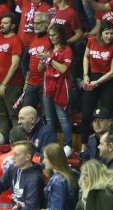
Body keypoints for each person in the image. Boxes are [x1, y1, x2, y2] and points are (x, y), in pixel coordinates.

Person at [80, 22, 113, 149]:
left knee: (105, 116)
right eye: (107, 33)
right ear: (101, 34)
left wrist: (97, 82)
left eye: (112, 33)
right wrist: (85, 75)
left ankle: (105, 146)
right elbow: (86, 56)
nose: (109, 36)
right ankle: (84, 147)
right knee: (86, 115)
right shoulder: (92, 41)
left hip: (107, 82)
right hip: (92, 78)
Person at [0, 140, 45, 210]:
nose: (12, 158)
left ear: (27, 157)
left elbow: (31, 207)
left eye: (16, 155)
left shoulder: (34, 179)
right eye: (13, 154)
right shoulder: (14, 168)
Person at [41, 23, 73, 156]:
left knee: (63, 118)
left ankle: (68, 146)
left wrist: (49, 60)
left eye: (54, 35)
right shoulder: (49, 49)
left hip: (61, 86)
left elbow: (64, 69)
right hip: (47, 86)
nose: (52, 37)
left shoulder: (67, 50)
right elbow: (40, 69)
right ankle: (51, 145)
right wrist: (42, 61)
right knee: (49, 119)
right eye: (50, 35)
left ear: (60, 35)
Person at [43, 143, 78, 210]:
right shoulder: (72, 173)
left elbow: (56, 208)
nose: (43, 161)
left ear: (53, 159)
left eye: (45, 158)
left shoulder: (58, 181)